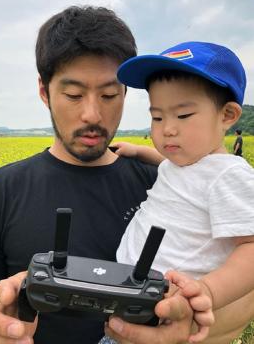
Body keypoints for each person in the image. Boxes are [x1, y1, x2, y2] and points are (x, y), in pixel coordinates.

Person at [0, 5, 189, 344]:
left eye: (109, 95)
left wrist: (187, 326)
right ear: (43, 91)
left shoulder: (163, 186)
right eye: (74, 94)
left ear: (125, 94)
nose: (92, 114)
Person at [107, 41, 254, 342]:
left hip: (166, 313)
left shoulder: (229, 174)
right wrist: (139, 150)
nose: (167, 129)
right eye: (157, 117)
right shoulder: (184, 162)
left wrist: (210, 290)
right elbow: (173, 169)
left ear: (227, 115)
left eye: (183, 115)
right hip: (130, 299)